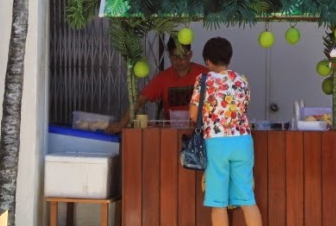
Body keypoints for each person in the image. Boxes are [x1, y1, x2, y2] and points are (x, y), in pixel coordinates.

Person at [189, 36, 262, 226]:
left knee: (218, 203)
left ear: (207, 61)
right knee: (247, 199)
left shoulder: (203, 79)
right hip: (243, 141)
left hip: (216, 143)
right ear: (229, 58)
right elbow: (244, 107)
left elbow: (193, 113)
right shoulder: (242, 79)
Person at [109, 37, 208, 132]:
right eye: (174, 57)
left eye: (182, 56)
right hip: (172, 132)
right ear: (169, 56)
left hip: (200, 131)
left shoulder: (204, 74)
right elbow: (140, 99)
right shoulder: (163, 77)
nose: (179, 61)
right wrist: (122, 123)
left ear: (190, 55)